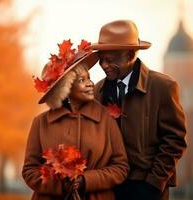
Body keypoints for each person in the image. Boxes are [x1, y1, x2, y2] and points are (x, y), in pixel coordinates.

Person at [92, 20, 187, 200]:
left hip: (147, 189)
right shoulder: (97, 91)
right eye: (101, 60)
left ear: (130, 55)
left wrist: (153, 184)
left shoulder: (163, 87)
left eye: (110, 60)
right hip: (107, 189)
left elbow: (175, 140)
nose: (104, 65)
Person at [22, 40, 129, 200]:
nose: (90, 84)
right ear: (65, 89)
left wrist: (86, 180)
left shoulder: (105, 119)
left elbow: (121, 167)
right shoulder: (41, 123)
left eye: (89, 78)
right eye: (81, 80)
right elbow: (30, 171)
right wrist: (60, 184)